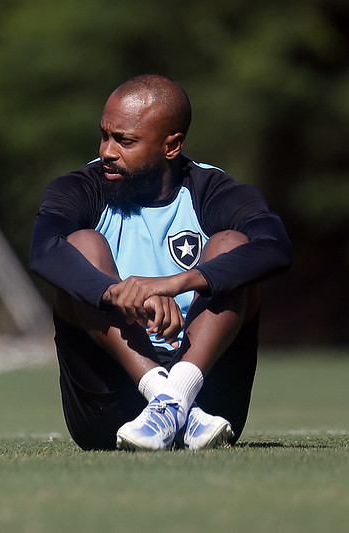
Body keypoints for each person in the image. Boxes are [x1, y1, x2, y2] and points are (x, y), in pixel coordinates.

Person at [29, 74, 292, 451]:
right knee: (80, 245)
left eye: (126, 140)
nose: (107, 150)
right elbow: (43, 251)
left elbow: (275, 247)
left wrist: (178, 282)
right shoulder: (79, 188)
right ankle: (166, 399)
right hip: (109, 411)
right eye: (105, 134)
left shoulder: (212, 191)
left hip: (210, 404)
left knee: (233, 244)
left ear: (172, 145)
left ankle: (177, 395)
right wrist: (119, 293)